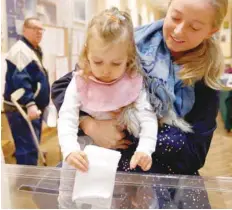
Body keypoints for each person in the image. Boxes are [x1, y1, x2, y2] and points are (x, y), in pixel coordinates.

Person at [52, 0, 228, 208]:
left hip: (159, 175)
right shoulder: (126, 42)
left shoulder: (206, 79)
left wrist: (135, 134)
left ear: (211, 31)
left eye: (195, 27)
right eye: (175, 17)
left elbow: (194, 155)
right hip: (103, 167)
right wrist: (89, 124)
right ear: (167, 9)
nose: (179, 31)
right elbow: (65, 87)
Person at [3, 17, 50, 165]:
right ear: (25, 30)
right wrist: (30, 103)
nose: (39, 32)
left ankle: (27, 181)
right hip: (22, 109)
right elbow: (21, 80)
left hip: (30, 108)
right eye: (35, 29)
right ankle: (25, 186)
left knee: (30, 147)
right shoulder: (20, 50)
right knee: (27, 148)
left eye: (41, 29)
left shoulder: (33, 49)